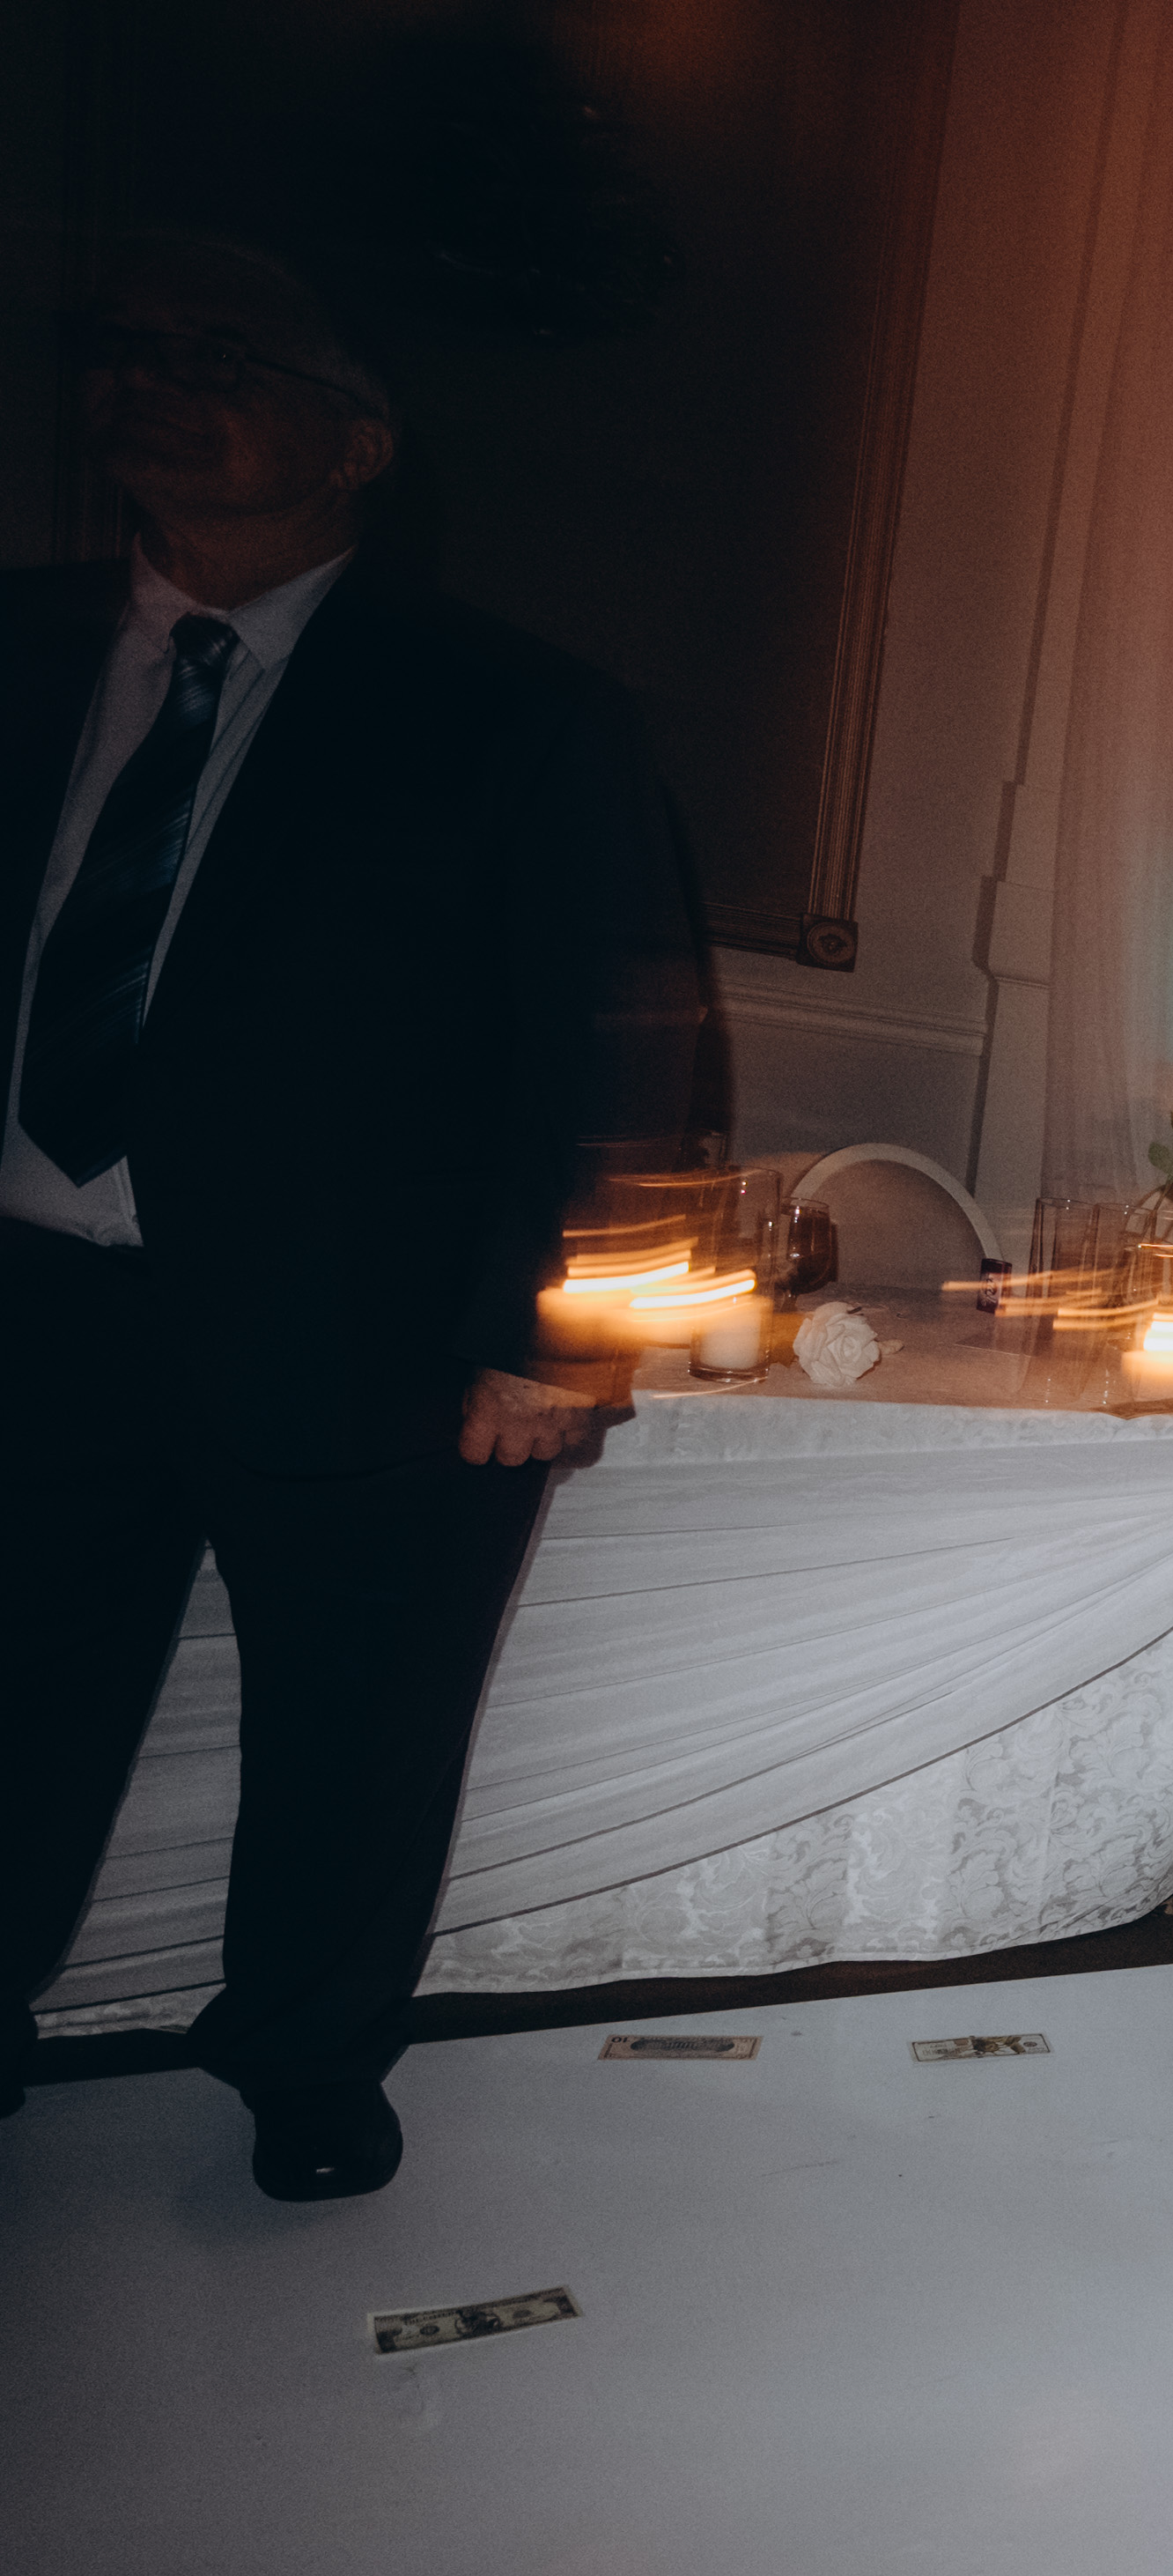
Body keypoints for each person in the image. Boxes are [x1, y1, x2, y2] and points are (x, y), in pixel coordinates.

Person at [0, 241, 705, 2197]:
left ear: (359, 440)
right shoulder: (19, 645)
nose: (151, 376)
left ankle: (307, 2064)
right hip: (30, 1301)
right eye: (129, 346)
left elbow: (618, 1042)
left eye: (221, 354)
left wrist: (557, 1331)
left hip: (376, 1333)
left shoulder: (516, 710)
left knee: (356, 1726)